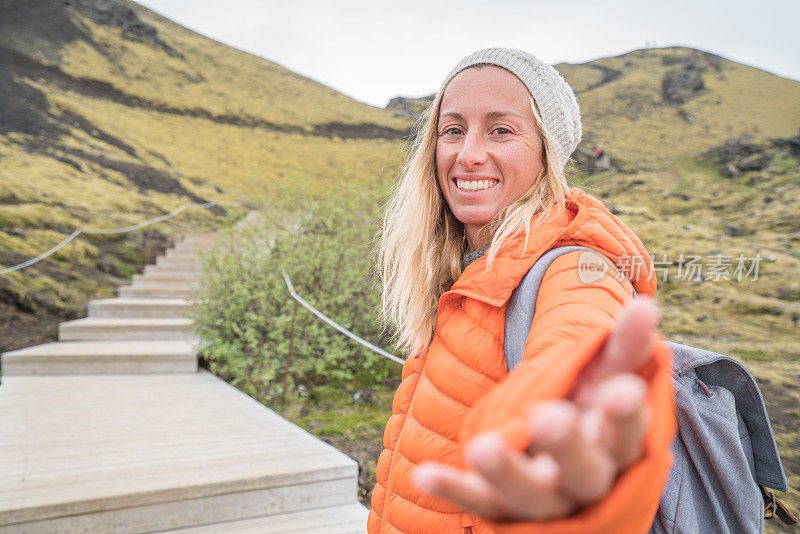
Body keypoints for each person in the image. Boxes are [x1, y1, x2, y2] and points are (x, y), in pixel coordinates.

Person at [372, 47, 676, 534]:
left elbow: (573, 354)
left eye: (501, 129)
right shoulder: (457, 270)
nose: (468, 154)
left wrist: (568, 476)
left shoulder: (577, 267)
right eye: (452, 129)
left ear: (546, 151)